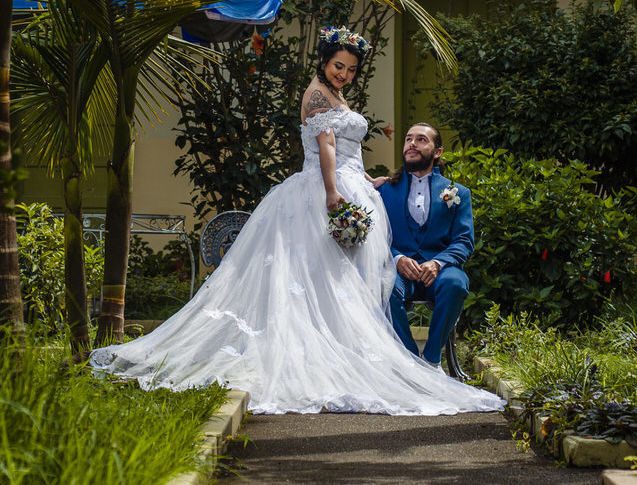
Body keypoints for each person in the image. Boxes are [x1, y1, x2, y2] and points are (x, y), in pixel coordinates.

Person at [89, 26, 503, 417]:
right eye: (338, 65)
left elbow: (348, 150)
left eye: (351, 69)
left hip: (352, 184)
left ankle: (351, 355)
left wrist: (365, 179)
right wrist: (332, 192)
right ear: (324, 60)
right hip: (321, 191)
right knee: (319, 279)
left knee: (345, 283)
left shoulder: (336, 95)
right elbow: (327, 147)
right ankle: (335, 359)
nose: (344, 74)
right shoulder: (317, 95)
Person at [372, 123, 472, 365]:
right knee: (383, 286)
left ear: (437, 152)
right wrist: (397, 258)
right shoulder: (383, 191)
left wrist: (437, 263)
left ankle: (431, 360)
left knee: (456, 284)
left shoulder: (458, 193)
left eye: (421, 139)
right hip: (398, 270)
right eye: (408, 139)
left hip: (440, 271)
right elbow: (375, 236)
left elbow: (464, 240)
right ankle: (411, 362)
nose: (412, 144)